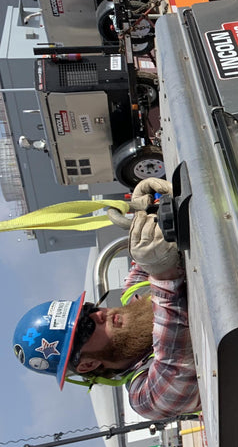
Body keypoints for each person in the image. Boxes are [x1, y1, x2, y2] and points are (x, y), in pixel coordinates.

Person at [12, 179, 200, 420]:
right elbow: (176, 365)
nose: (98, 315)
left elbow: (146, 248)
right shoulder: (144, 397)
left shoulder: (134, 292)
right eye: (85, 327)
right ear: (87, 365)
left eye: (87, 310)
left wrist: (146, 208)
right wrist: (163, 275)